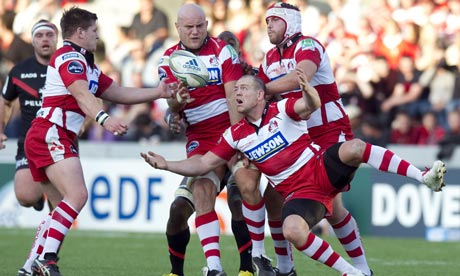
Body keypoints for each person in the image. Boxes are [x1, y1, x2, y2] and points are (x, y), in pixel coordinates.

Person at [141, 72, 446, 276]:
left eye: (244, 89)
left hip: (321, 169)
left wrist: (311, 94)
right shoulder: (235, 135)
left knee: (353, 147)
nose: (237, 93)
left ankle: (423, 177)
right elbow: (202, 164)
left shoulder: (281, 110)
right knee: (292, 231)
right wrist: (167, 164)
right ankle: (352, 272)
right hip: (299, 194)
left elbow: (308, 105)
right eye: (235, 90)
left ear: (261, 96)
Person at [24, 7, 174, 276]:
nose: (98, 35)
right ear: (80, 32)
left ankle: (29, 267)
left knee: (60, 207)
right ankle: (46, 260)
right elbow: (82, 95)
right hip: (51, 132)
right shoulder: (69, 57)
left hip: (51, 134)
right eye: (94, 30)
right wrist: (105, 119)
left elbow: (116, 91)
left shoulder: (87, 64)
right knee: (78, 195)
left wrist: (158, 91)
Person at [256, 3, 373, 275]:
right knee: (278, 197)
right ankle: (287, 268)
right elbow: (256, 94)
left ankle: (361, 269)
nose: (269, 25)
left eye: (275, 20)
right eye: (267, 21)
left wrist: (262, 88)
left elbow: (301, 78)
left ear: (290, 23)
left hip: (330, 132)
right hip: (300, 137)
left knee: (332, 207)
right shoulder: (269, 57)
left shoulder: (308, 45)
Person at [157, 4, 251, 276]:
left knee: (240, 192)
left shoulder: (222, 50)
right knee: (196, 195)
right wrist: (176, 104)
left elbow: (234, 96)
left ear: (207, 24)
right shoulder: (168, 59)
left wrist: (238, 140)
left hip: (233, 132)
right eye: (189, 27)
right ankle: (214, 268)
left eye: (200, 26)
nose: (195, 31)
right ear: (178, 28)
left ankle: (250, 267)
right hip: (201, 138)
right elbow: (172, 104)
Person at [0, 19, 63, 276]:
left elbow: (91, 96)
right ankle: (37, 196)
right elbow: (4, 101)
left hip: (62, 143)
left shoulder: (68, 66)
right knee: (25, 196)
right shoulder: (20, 71)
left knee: (60, 209)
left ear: (57, 38)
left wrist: (87, 121)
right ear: (33, 40)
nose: (45, 39)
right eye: (40, 35)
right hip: (29, 142)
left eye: (50, 34)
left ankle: (45, 260)